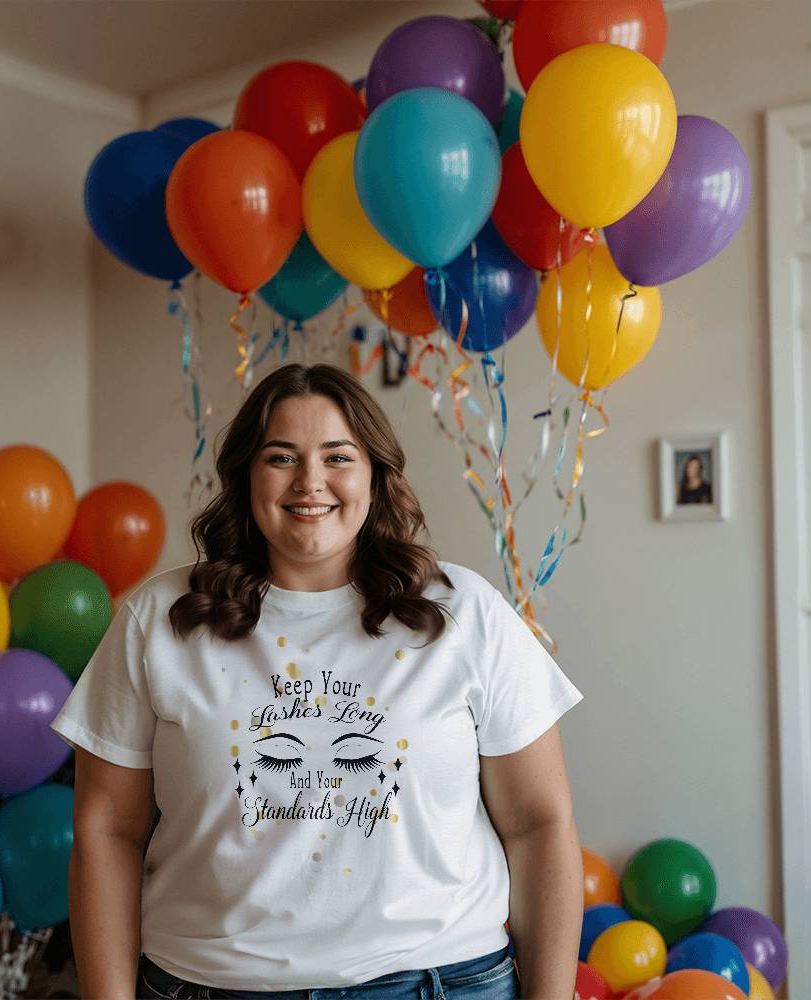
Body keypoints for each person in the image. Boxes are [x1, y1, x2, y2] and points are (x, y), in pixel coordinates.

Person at [50, 362, 584, 1000]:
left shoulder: (466, 612)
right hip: (211, 985)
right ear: (248, 474)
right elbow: (108, 830)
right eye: (282, 457)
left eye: (338, 456)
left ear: (374, 475)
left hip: (440, 981)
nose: (311, 482)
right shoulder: (159, 620)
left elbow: (538, 824)